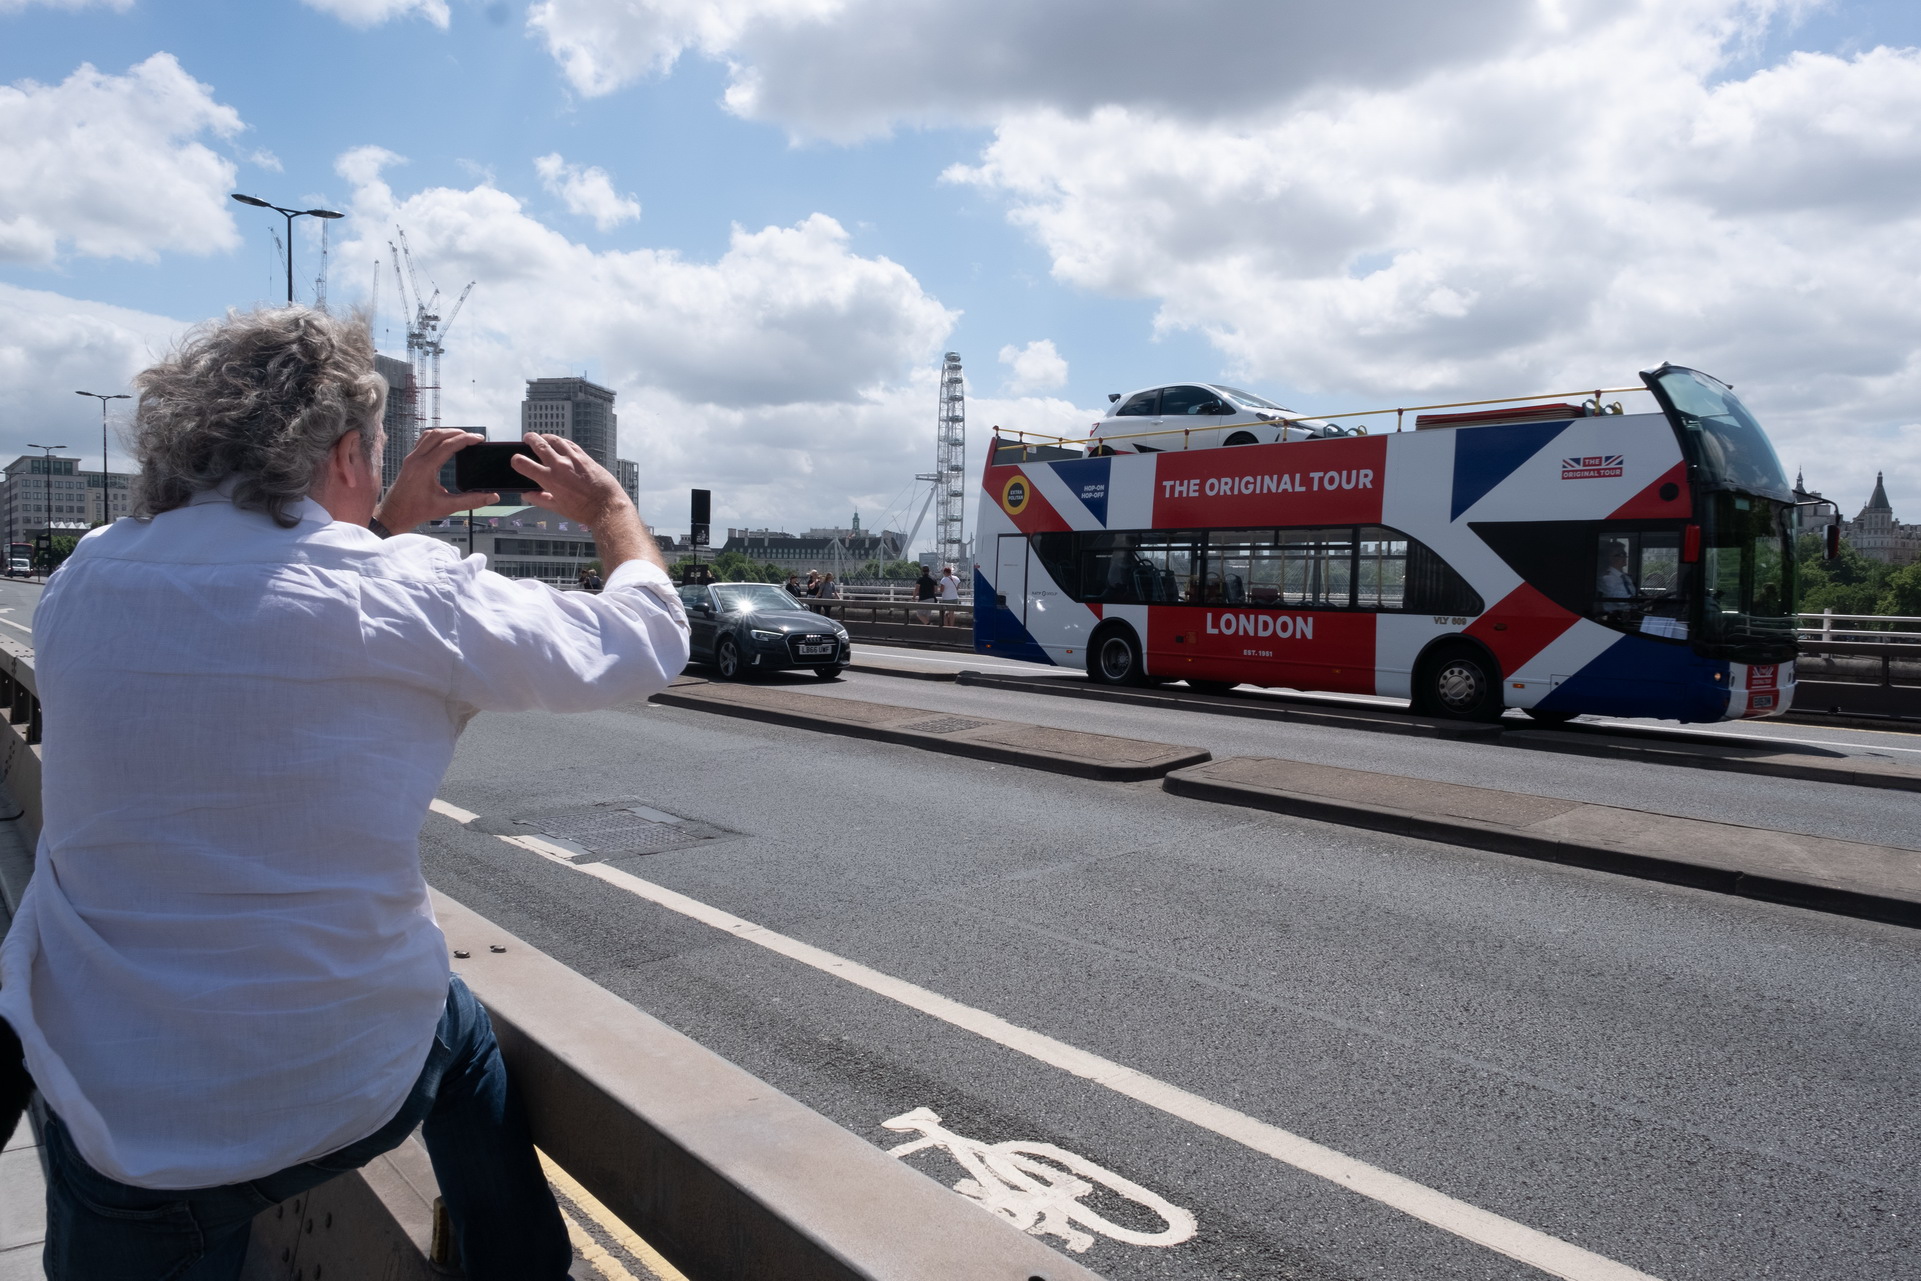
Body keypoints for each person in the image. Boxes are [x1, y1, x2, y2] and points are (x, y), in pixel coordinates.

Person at [0, 306, 689, 1281]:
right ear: (337, 452)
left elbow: (268, 613)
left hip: (122, 1103)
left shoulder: (87, 577)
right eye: (372, 447)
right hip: (345, 1068)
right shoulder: (411, 591)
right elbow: (642, 645)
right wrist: (610, 512)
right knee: (462, 1041)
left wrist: (382, 522)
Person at [1597, 541, 1636, 614]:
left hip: (1630, 614)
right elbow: (1622, 600)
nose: (1624, 557)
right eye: (1620, 554)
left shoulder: (1626, 577)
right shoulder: (1606, 578)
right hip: (1615, 618)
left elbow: (1633, 596)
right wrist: (1642, 600)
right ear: (1610, 558)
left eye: (1625, 554)